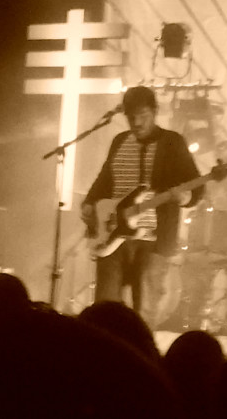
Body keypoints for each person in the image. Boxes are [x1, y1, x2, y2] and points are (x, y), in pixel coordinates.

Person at [81, 85, 203, 328]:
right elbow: (105, 180)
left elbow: (196, 187)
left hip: (153, 241)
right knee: (104, 312)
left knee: (144, 317)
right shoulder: (119, 141)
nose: (137, 122)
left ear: (155, 112)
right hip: (113, 236)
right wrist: (89, 204)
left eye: (143, 116)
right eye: (131, 117)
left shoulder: (172, 143)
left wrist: (185, 197)